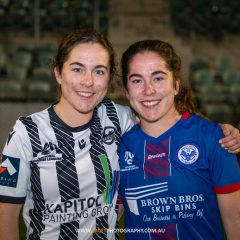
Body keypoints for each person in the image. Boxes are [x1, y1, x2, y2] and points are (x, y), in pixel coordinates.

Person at [0, 29, 239, 240]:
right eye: (77, 69)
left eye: (99, 71)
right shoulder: (26, 132)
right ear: (58, 73)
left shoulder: (119, 118)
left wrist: (222, 132)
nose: (88, 81)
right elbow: (5, 219)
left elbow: (166, 116)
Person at [119, 39, 240, 240]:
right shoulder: (121, 146)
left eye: (158, 78)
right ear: (126, 91)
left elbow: (235, 220)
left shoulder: (213, 138)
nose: (148, 90)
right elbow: (107, 216)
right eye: (137, 80)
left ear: (176, 85)